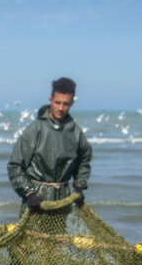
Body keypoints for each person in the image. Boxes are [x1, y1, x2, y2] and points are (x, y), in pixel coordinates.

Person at [7, 77, 93, 214]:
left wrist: (79, 186)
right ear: (50, 100)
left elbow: (84, 161)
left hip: (62, 201)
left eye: (66, 104)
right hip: (36, 200)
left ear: (72, 103)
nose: (60, 108)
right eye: (57, 102)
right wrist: (28, 193)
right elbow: (15, 165)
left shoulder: (76, 133)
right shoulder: (35, 130)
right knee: (32, 236)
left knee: (59, 236)